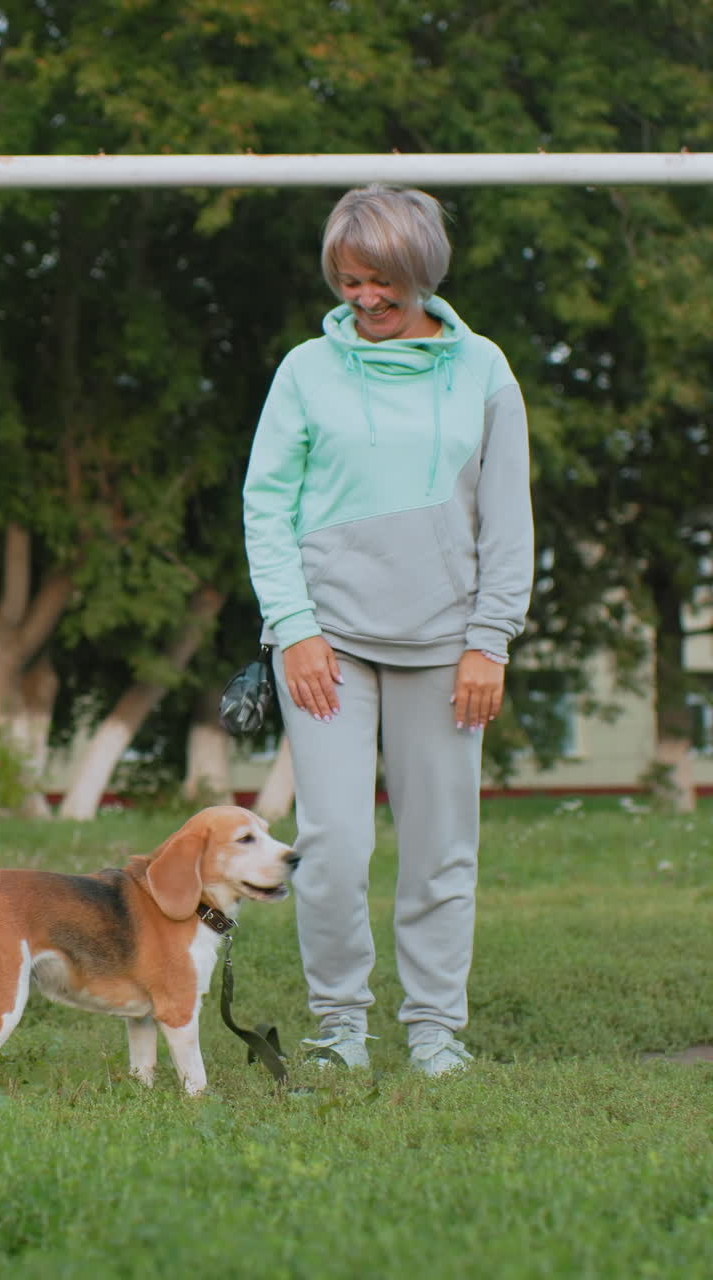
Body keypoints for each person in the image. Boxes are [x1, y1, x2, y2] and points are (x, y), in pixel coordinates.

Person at [243, 184, 533, 1075]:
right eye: (348, 280)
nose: (364, 298)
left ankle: (436, 1031)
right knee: (331, 846)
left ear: (421, 273)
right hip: (327, 646)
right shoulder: (305, 370)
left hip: (449, 649)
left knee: (442, 849)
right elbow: (266, 506)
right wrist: (293, 627)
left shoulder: (483, 368)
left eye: (381, 282)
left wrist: (492, 640)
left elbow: (508, 518)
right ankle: (339, 1029)